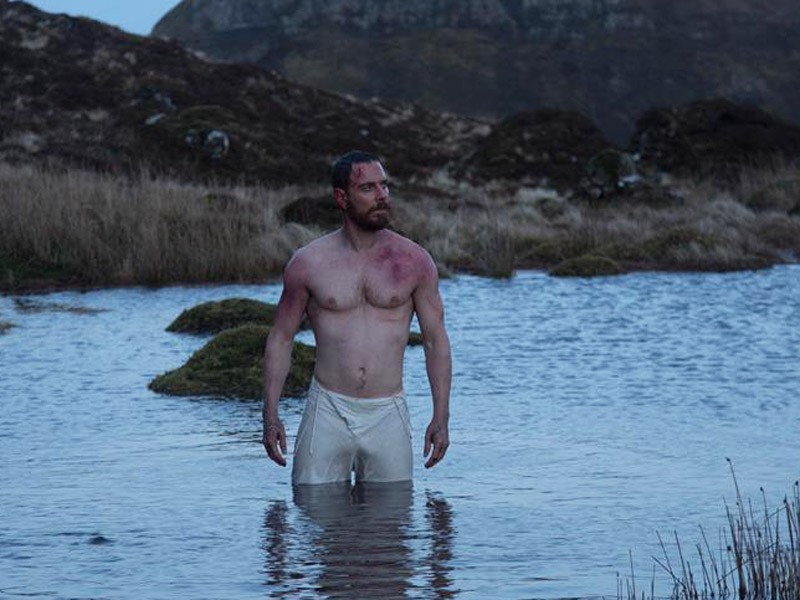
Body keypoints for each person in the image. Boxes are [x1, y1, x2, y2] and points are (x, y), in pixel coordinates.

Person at [262, 150, 452, 485]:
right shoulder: (308, 263)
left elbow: (435, 341)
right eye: (368, 188)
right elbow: (281, 338)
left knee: (393, 513)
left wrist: (441, 416)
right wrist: (270, 414)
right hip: (327, 409)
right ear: (341, 198)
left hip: (388, 413)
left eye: (384, 186)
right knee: (311, 507)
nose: (382, 195)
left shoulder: (415, 261)